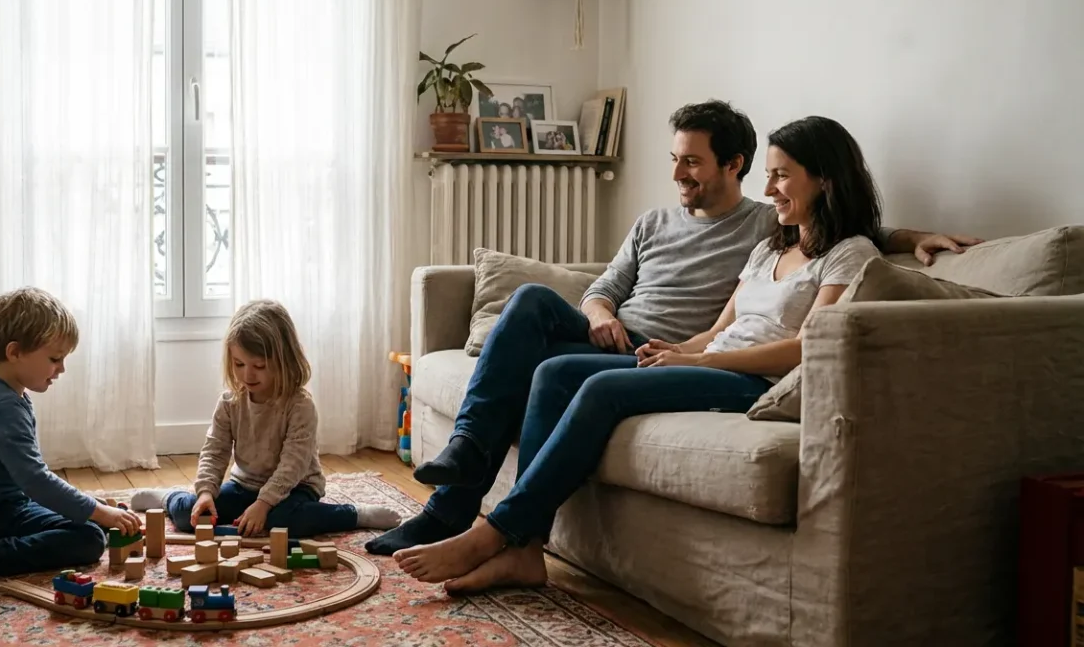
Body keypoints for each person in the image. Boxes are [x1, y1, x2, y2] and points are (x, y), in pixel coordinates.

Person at [364, 100, 982, 561]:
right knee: (532, 314)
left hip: (743, 377)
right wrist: (629, 327)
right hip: (654, 343)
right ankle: (474, 476)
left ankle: (497, 533)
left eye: (693, 160)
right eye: (676, 159)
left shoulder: (773, 227)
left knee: (578, 382)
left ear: (732, 165)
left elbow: (853, 245)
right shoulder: (760, 244)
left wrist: (912, 236)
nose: (680, 172)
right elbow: (699, 318)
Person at [129, 299, 401, 538]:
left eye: (259, 366)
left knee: (283, 521)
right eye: (239, 364)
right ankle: (168, 498)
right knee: (190, 515)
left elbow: (293, 465)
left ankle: (354, 514)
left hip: (297, 488)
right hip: (244, 485)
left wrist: (264, 504)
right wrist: (205, 493)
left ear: (283, 361)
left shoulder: (300, 405)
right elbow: (214, 451)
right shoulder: (229, 403)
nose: (248, 375)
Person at [0, 287, 141, 588]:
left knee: (93, 521)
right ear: (14, 352)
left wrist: (94, 510)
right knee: (90, 538)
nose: (62, 369)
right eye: (55, 358)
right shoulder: (3, 406)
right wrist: (97, 511)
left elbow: (30, 484)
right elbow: (36, 481)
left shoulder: (3, 393)